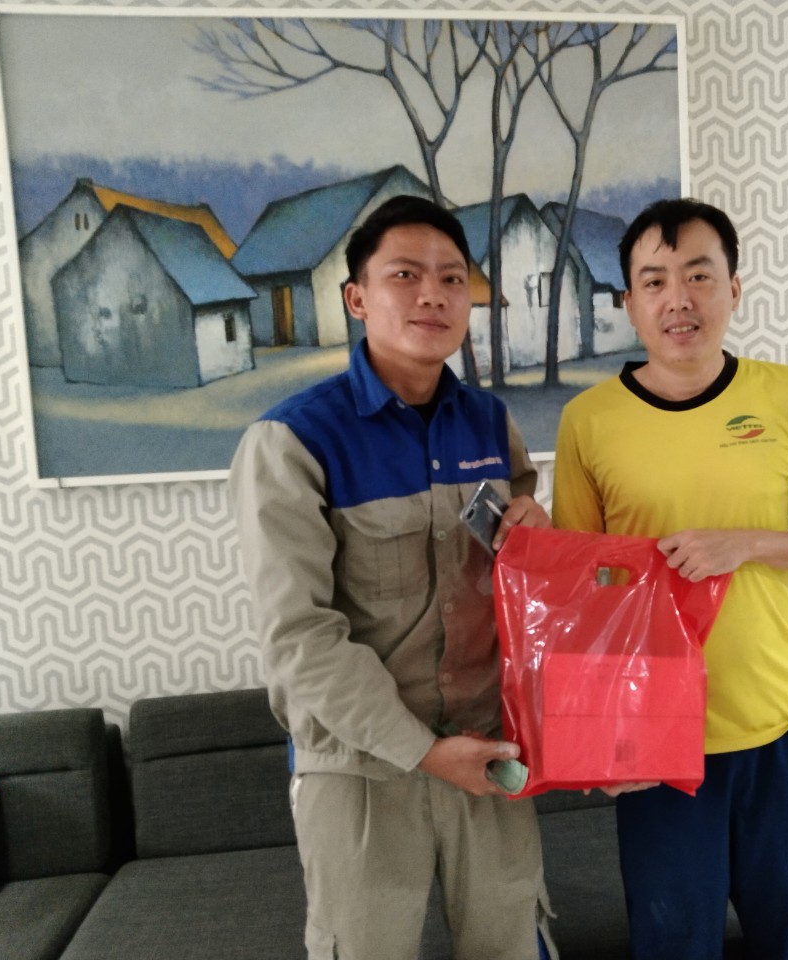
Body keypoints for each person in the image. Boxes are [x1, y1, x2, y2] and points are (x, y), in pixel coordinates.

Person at [552, 198, 788, 960]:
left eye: (699, 275)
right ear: (628, 302)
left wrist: (749, 544)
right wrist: (593, 740)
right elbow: (583, 602)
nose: (679, 299)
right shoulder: (588, 422)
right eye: (655, 281)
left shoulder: (787, 395)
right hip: (656, 743)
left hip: (781, 724)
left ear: (734, 288)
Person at [229, 195, 555, 960]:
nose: (432, 294)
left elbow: (521, 564)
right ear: (357, 299)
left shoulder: (489, 422)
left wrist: (539, 533)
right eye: (405, 275)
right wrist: (421, 750)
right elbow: (299, 637)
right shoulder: (292, 439)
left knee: (514, 943)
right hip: (359, 764)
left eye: (451, 278)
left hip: (488, 744)